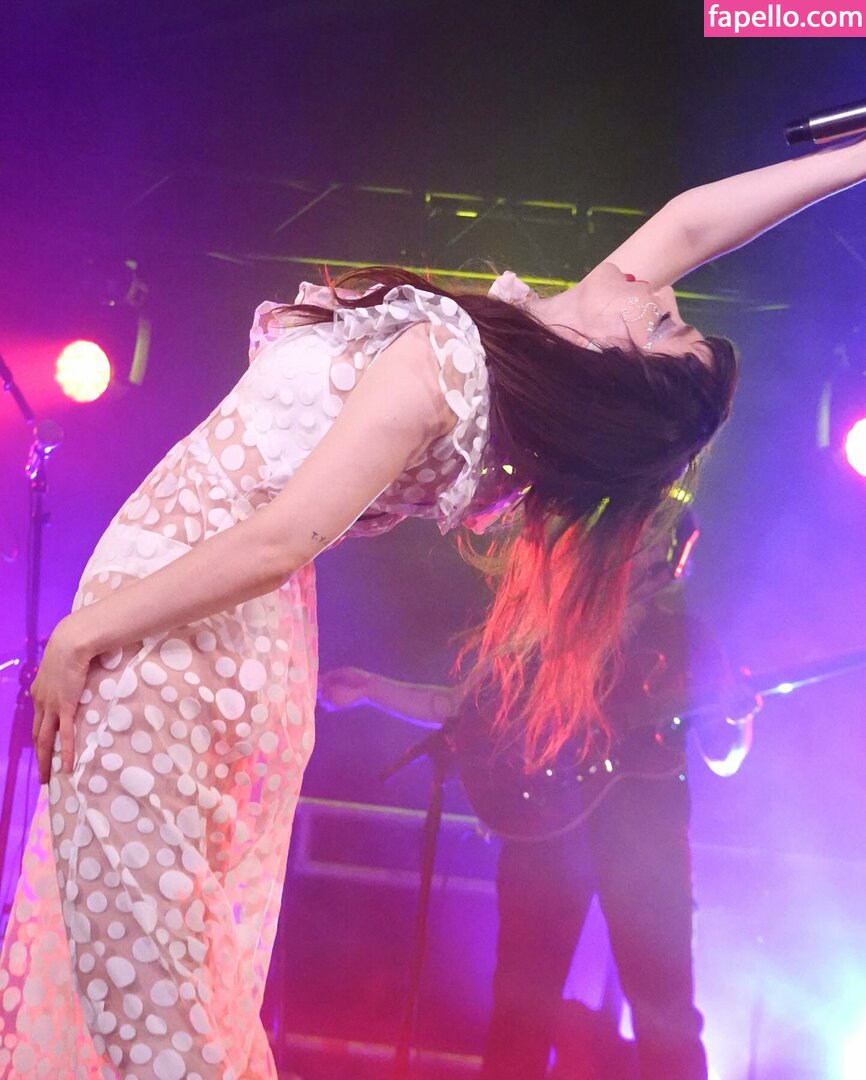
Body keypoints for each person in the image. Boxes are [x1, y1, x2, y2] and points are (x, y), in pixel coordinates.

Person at [0, 138, 862, 1078]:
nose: (664, 293)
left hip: (180, 645)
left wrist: (82, 634)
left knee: (149, 1005)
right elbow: (695, 221)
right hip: (180, 624)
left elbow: (277, 541)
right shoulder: (504, 350)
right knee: (128, 979)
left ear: (613, 372)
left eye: (665, 327)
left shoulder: (446, 378)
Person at [318, 511, 759, 1080]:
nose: (649, 552)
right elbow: (458, 707)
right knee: (521, 1013)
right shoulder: (548, 634)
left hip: (648, 849)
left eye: (657, 542)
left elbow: (725, 756)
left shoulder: (688, 637)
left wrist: (736, 717)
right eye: (639, 538)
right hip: (545, 836)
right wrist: (371, 689)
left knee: (665, 1015)